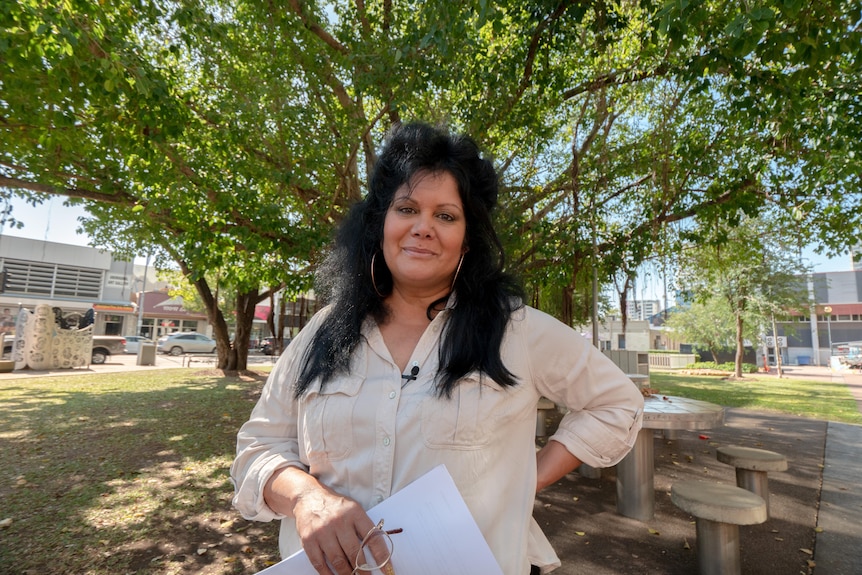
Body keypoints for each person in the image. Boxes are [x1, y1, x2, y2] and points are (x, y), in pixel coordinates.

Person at [231, 122, 644, 575]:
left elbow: (616, 403)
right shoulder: (322, 332)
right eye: (406, 208)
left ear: (467, 239)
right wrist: (306, 497)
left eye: (446, 215)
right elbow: (259, 445)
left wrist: (528, 479)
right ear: (380, 224)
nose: (423, 228)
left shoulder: (518, 331)